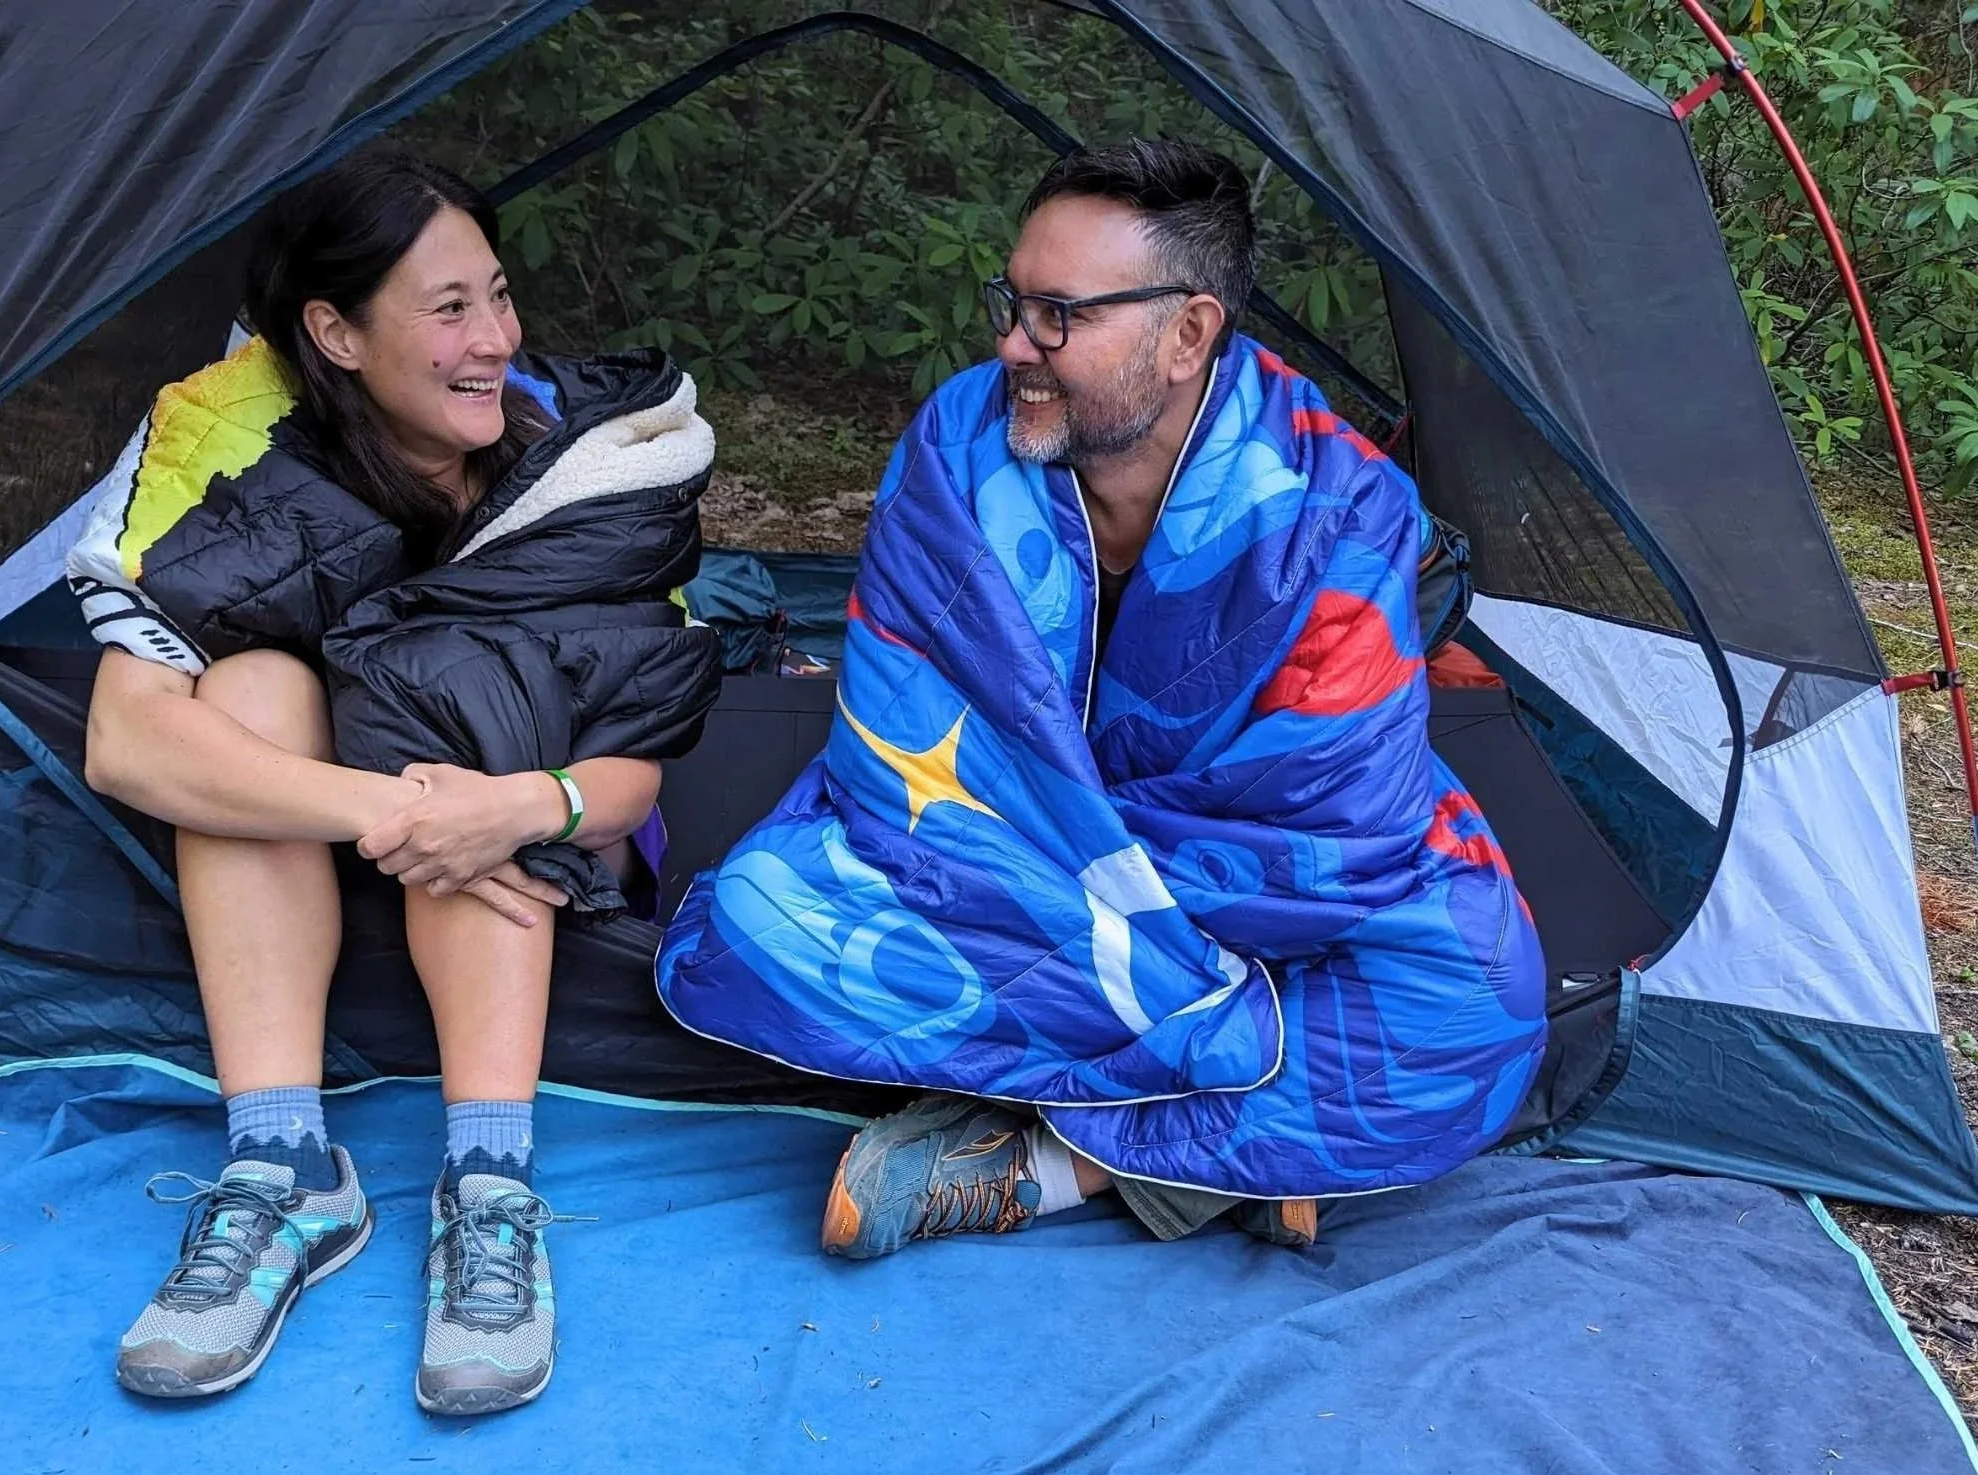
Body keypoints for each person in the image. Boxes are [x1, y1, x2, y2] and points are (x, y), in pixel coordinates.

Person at [655, 137, 1547, 1257]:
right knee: (757, 913)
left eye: (1058, 317)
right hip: (1001, 858)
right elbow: (895, 742)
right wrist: (1110, 921)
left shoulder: (1339, 508)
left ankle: (1040, 1162)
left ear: (1189, 334)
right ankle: (1229, 1143)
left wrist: (1111, 909)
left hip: (1238, 894)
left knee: (1477, 1003)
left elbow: (1337, 833)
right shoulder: (957, 442)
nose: (1013, 344)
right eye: (1011, 303)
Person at [69, 148, 719, 1408]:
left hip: (526, 835)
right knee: (247, 686)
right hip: (330, 825)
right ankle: (284, 1166)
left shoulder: (582, 464)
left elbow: (630, 777)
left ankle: (488, 1180)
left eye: (499, 295)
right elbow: (128, 740)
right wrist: (388, 810)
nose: (494, 340)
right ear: (337, 333)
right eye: (449, 309)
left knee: (460, 683)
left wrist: (505, 806)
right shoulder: (233, 437)